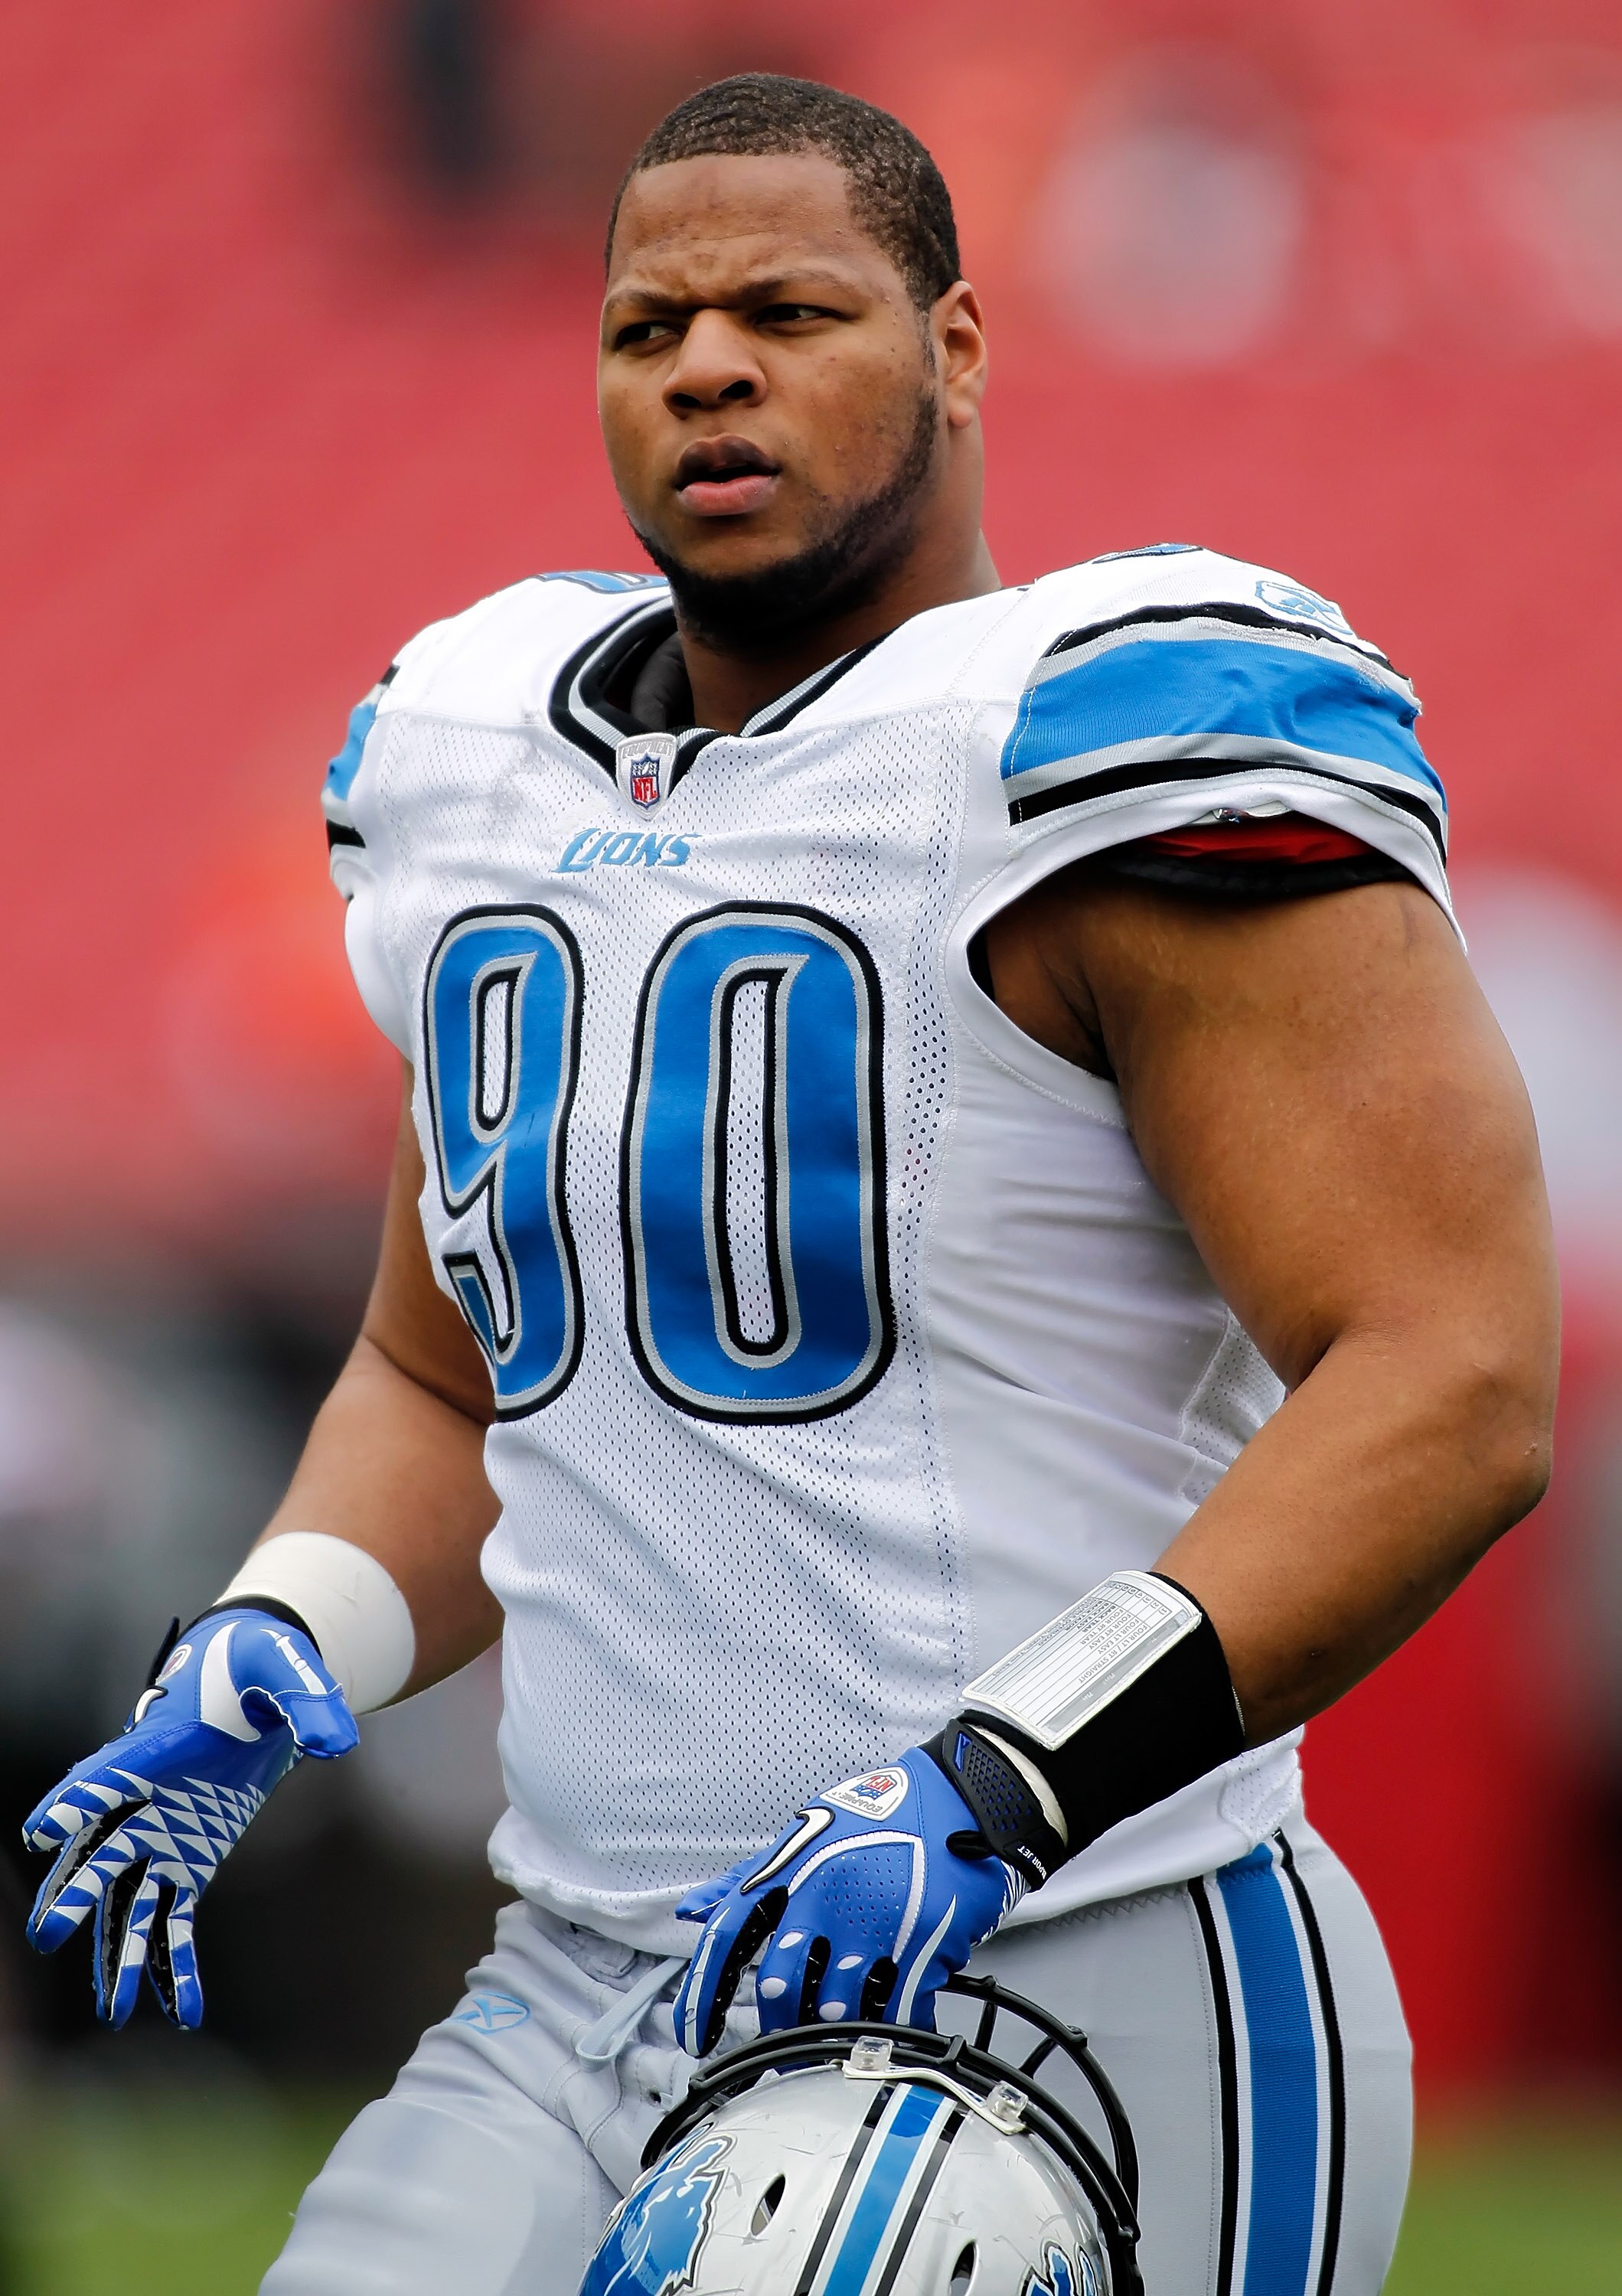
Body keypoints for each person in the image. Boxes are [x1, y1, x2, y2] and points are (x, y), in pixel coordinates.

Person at [23, 74, 1558, 2296]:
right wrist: (286, 1637)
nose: (709, 365)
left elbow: (1450, 1372)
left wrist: (996, 1782)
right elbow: (450, 1383)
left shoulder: (1104, 740)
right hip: (581, 1978)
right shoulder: (478, 765)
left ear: (954, 348)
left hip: (1077, 1958)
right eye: (650, 326)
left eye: (789, 308)